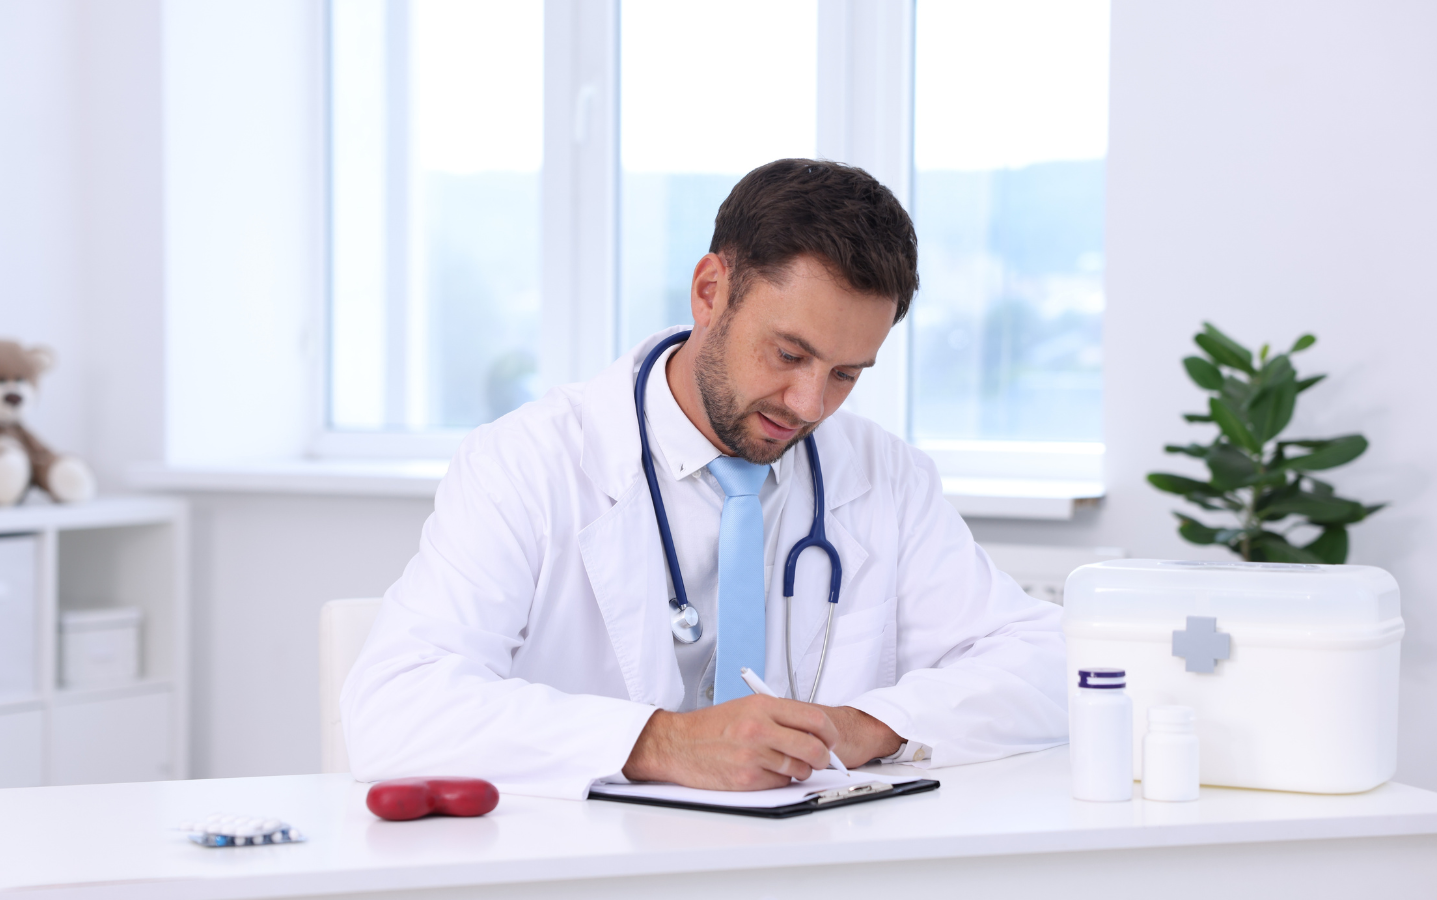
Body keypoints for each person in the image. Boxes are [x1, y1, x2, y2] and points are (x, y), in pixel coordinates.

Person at [341, 159, 1067, 799]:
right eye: (788, 354)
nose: (810, 405)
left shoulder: (886, 476)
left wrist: (871, 725)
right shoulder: (528, 464)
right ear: (711, 290)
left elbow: (1050, 660)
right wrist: (660, 743)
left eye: (846, 374)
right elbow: (394, 709)